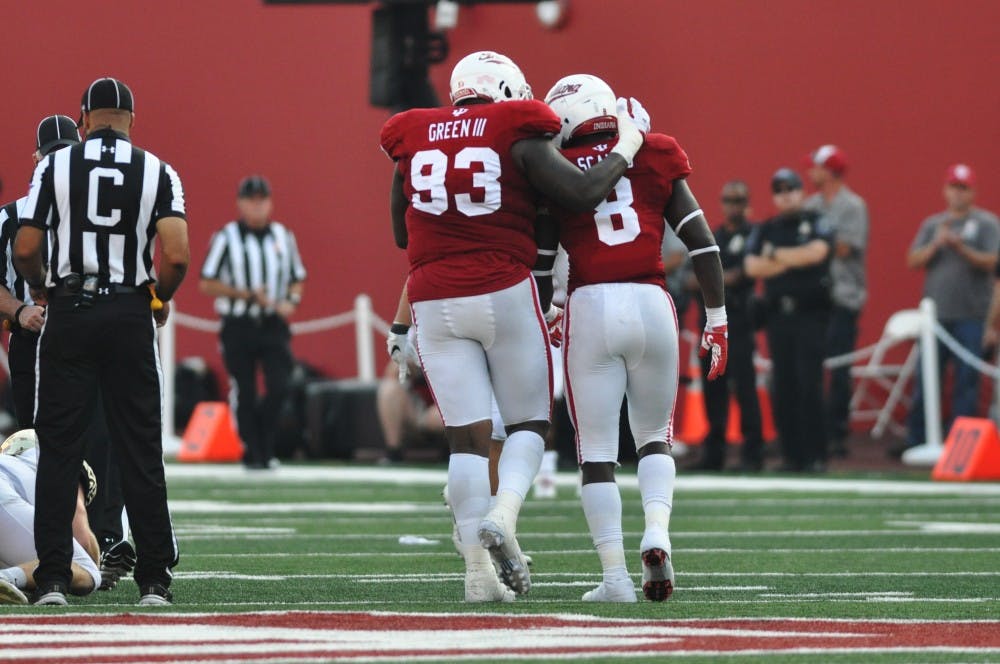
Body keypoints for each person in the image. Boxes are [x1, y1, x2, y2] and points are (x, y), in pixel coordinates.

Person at [379, 51, 645, 603]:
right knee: (529, 422)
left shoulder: (414, 133)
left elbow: (403, 235)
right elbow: (578, 192)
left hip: (433, 299)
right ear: (505, 88)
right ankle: (504, 513)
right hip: (502, 287)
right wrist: (627, 144)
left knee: (466, 441)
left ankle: (478, 575)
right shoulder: (516, 126)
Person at [542, 75, 726, 603]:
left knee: (596, 452)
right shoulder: (655, 151)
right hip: (652, 302)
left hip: (591, 304)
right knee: (655, 437)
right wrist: (717, 318)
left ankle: (616, 579)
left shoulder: (551, 169)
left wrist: (549, 308)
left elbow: (543, 258)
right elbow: (703, 244)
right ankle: (658, 532)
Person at [14, 77, 189, 606]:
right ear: (131, 120)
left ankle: (51, 578)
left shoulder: (55, 166)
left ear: (84, 119)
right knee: (139, 447)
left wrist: (47, 286)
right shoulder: (158, 169)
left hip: (70, 310)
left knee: (59, 447)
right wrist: (157, 300)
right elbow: (176, 254)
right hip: (129, 312)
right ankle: (155, 578)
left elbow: (25, 248)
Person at [199, 175, 308, 470]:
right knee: (245, 388)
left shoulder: (284, 236)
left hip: (273, 323)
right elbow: (206, 282)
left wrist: (290, 303)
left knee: (280, 385)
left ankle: (266, 444)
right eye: (251, 200)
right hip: (238, 323)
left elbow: (298, 278)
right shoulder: (226, 237)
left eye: (262, 200)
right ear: (240, 204)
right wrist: (244, 294)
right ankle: (254, 451)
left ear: (270, 203)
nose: (257, 206)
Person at [903, 164, 999, 455]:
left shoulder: (986, 223)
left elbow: (992, 263)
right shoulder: (934, 224)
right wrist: (936, 244)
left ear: (972, 192)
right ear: (945, 190)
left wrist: (962, 248)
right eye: (953, 187)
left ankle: (962, 443)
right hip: (936, 317)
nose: (957, 194)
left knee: (967, 381)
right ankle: (918, 439)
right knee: (926, 377)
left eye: (963, 188)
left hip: (971, 314)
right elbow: (913, 260)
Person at [745, 168, 833, 472]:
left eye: (791, 189)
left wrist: (777, 256)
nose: (786, 196)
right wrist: (793, 258)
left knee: (809, 384)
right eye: (780, 191)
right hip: (777, 316)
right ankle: (792, 455)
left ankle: (816, 455)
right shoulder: (767, 227)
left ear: (802, 191)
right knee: (784, 387)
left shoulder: (815, 221)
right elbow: (754, 267)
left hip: (811, 315)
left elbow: (817, 254)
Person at [688, 180, 764, 472]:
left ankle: (752, 453)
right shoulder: (713, 236)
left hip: (740, 324)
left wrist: (714, 279)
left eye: (739, 200)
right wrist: (722, 278)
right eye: (729, 200)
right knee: (713, 390)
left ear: (747, 203)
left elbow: (744, 273)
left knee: (745, 388)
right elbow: (688, 276)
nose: (734, 205)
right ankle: (714, 452)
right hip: (710, 324)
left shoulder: (754, 235)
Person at [804, 145, 869, 458]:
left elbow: (846, 248)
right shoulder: (811, 204)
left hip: (843, 296)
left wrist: (816, 248)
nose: (810, 173)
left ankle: (837, 432)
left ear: (829, 171)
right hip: (815, 297)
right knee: (812, 366)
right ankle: (813, 429)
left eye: (816, 167)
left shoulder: (853, 206)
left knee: (840, 369)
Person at [0, 430, 101, 604]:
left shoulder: (13, 463)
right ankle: (6, 577)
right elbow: (82, 538)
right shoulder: (60, 462)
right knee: (87, 572)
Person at [375, 329, 445, 464]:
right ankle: (394, 451)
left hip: (451, 403)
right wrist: (410, 364)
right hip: (422, 406)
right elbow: (392, 373)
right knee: (389, 389)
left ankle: (457, 449)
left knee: (442, 415)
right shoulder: (415, 332)